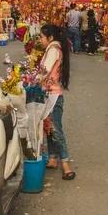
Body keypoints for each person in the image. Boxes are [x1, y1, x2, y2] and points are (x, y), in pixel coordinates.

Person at [39, 23, 75, 180]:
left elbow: (44, 72)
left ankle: (66, 164)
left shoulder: (53, 49)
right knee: (49, 127)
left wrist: (31, 79)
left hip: (53, 95)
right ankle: (52, 158)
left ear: (50, 37)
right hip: (49, 94)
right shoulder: (53, 48)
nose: (40, 40)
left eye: (42, 37)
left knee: (56, 130)